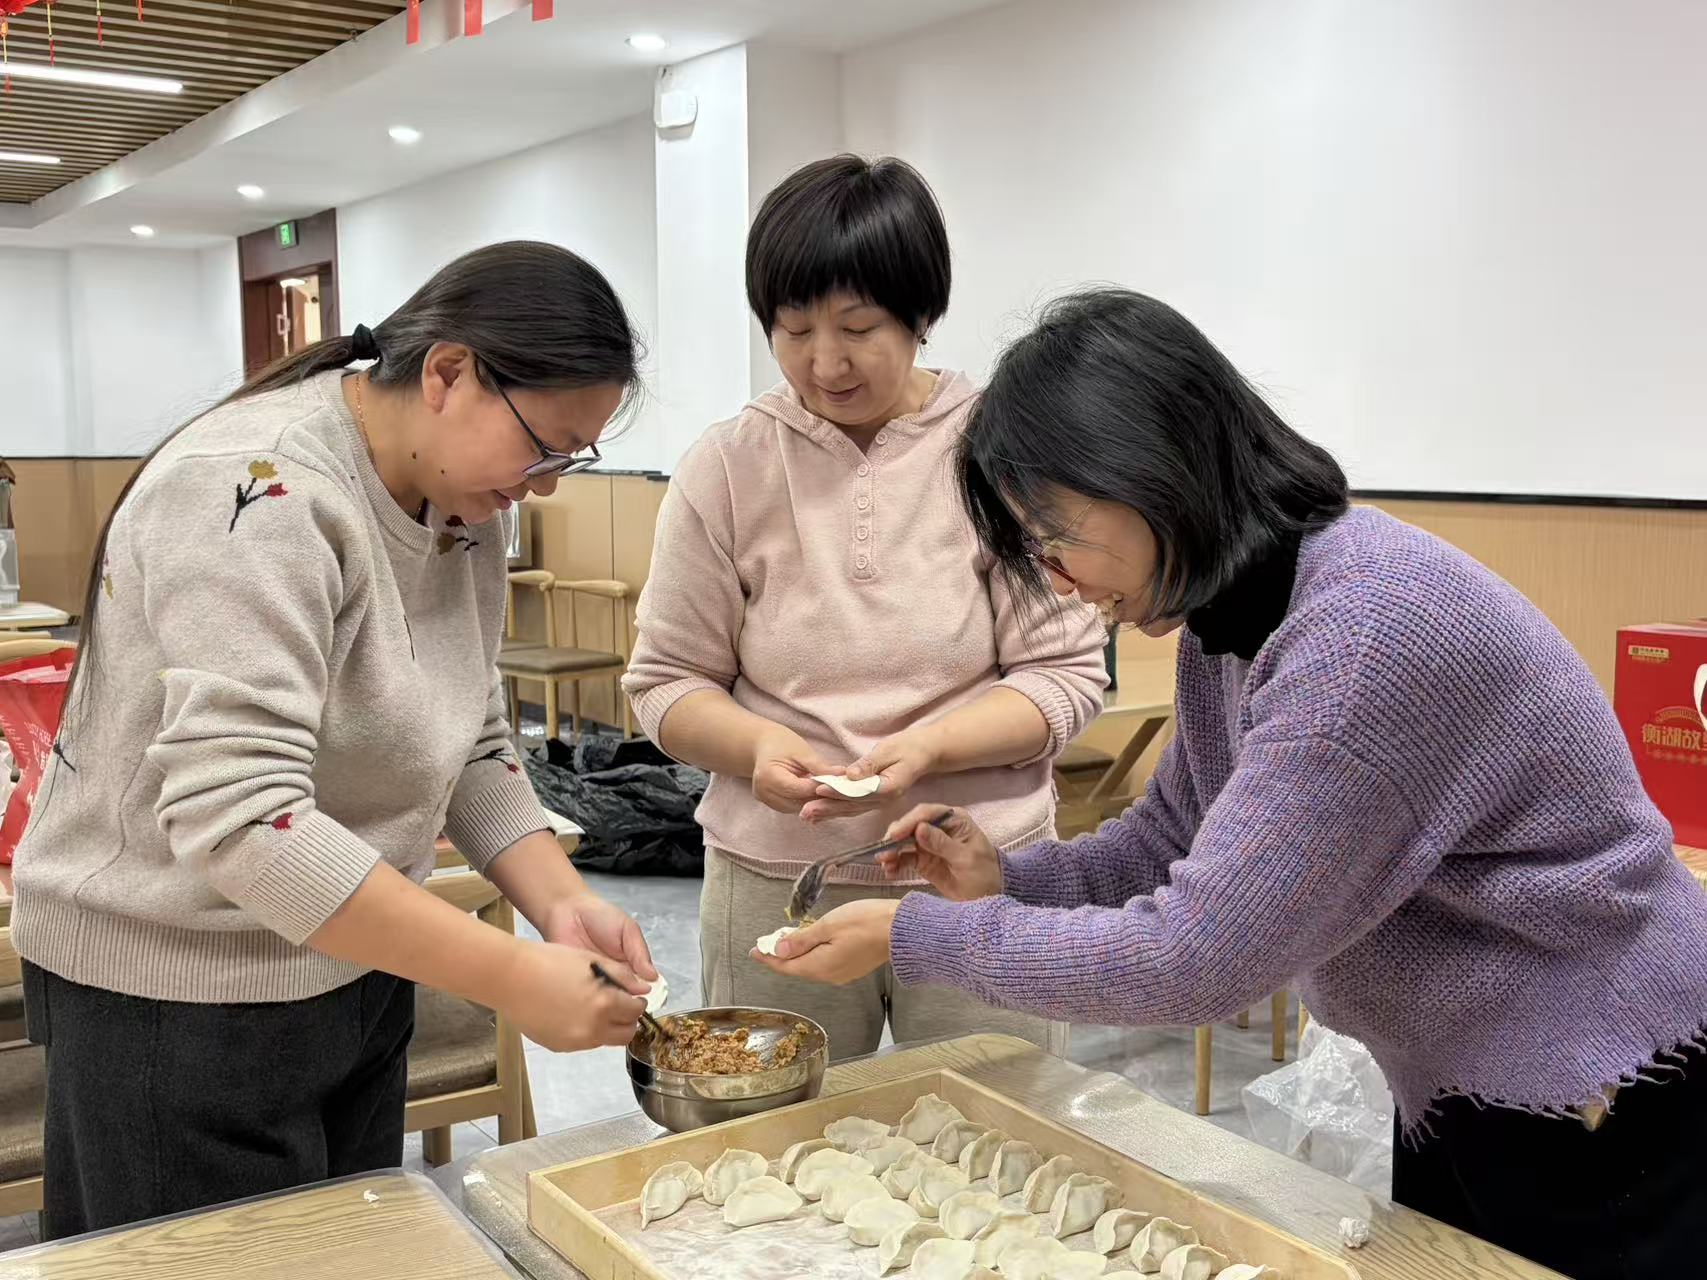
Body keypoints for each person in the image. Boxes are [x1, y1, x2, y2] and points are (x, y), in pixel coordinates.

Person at [757, 287, 1707, 1280]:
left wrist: (914, 936)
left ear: (1151, 469)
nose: (1059, 580)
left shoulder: (1359, 640)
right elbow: (1174, 835)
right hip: (1466, 1073)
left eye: (1055, 535)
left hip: (1607, 1080)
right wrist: (1007, 879)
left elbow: (1196, 958)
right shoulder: (1232, 612)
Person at [13, 242, 658, 1239]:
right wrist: (508, 976)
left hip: (351, 958)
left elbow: (469, 734)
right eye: (543, 448)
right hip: (174, 992)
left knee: (338, 1246)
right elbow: (242, 818)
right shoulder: (259, 490)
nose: (543, 487)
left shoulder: (463, 507)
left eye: (569, 461)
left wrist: (561, 902)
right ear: (448, 374)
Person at [623, 156, 1107, 1059]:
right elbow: (664, 683)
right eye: (793, 329)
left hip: (974, 868)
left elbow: (1064, 676)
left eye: (857, 327)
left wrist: (930, 749)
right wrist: (754, 747)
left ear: (921, 315)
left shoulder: (1000, 452)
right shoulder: (726, 468)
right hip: (775, 873)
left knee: (996, 1117)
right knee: (775, 1124)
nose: (825, 361)